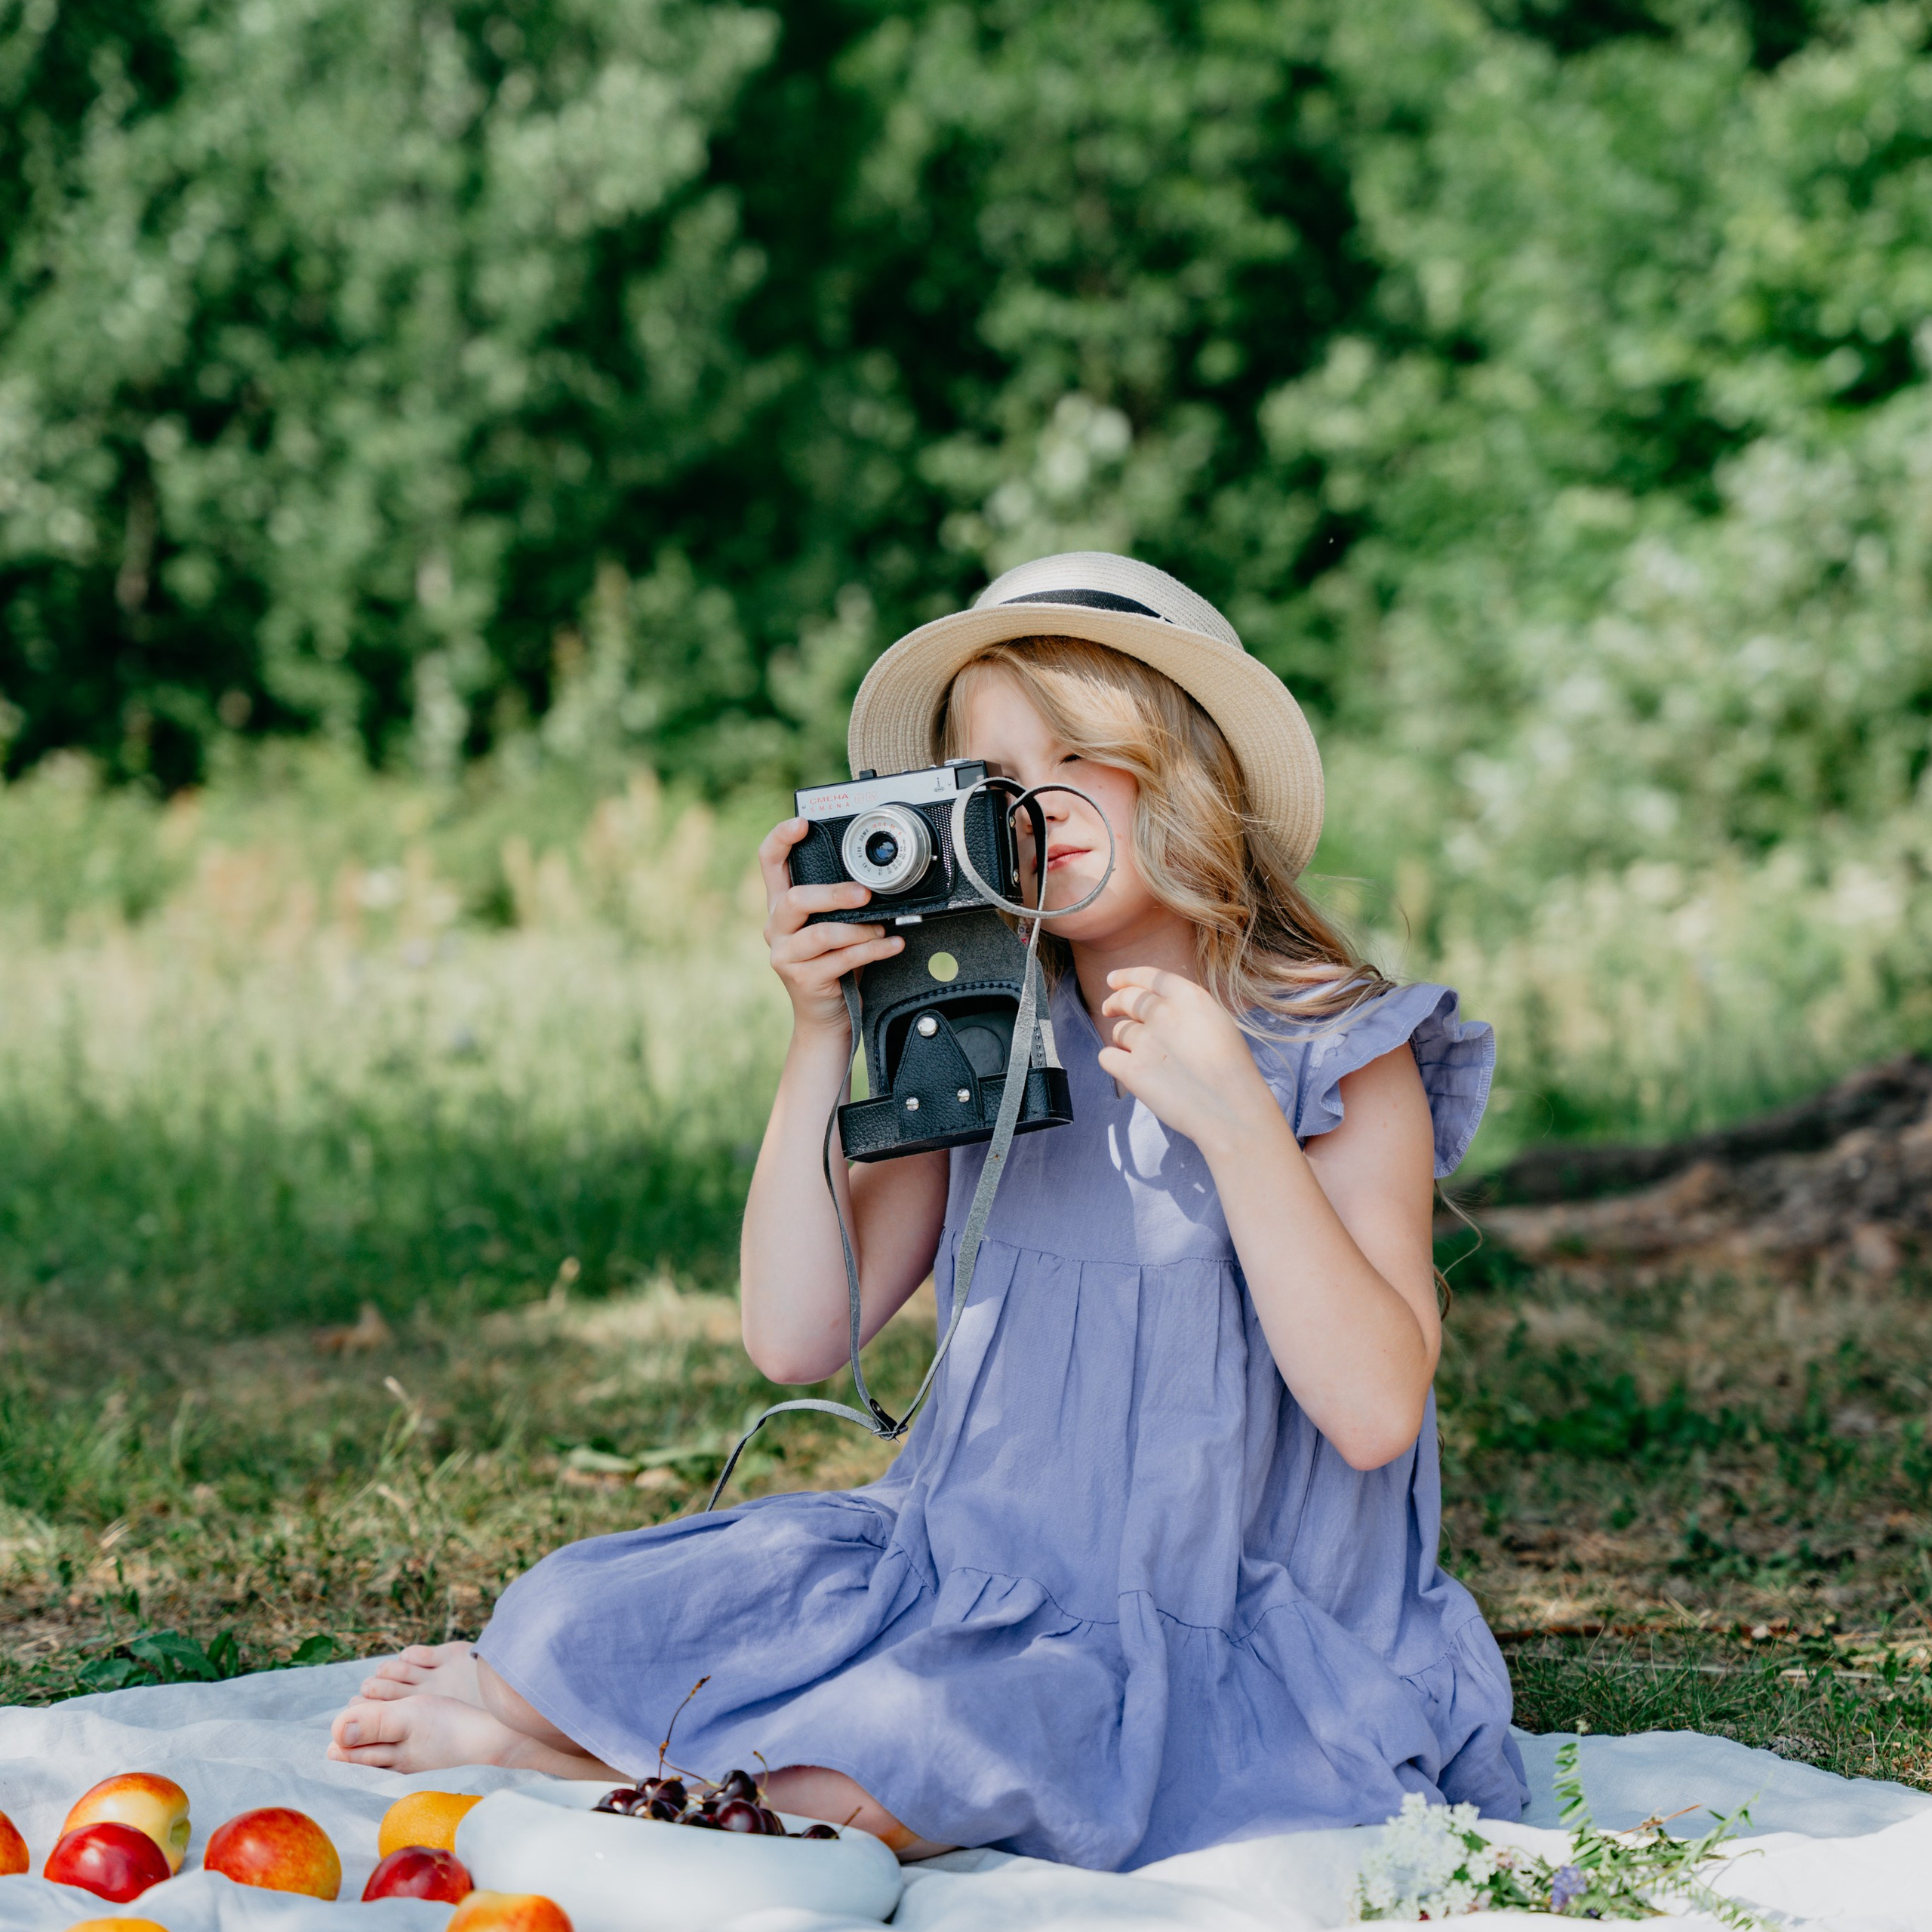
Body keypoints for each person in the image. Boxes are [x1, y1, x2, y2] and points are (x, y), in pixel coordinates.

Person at [327, 552, 1527, 1870]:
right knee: (560, 1618)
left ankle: (564, 1757)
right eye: (995, 783)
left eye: (1082, 754)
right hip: (967, 1574)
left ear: (1190, 769)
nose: (1039, 807)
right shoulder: (979, 1031)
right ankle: (638, 1747)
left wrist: (1238, 1118)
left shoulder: (1333, 1046)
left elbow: (1373, 1414)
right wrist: (818, 1034)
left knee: (928, 1745)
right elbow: (794, 1337)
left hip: (1218, 1618)